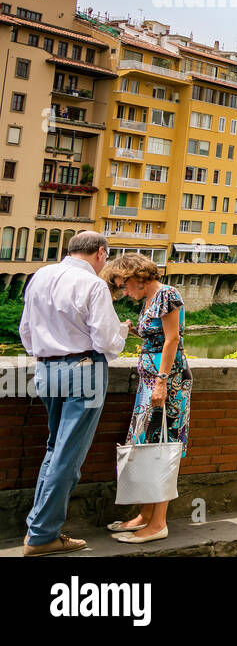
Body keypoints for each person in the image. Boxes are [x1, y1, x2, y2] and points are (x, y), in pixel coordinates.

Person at [18, 231, 126, 556]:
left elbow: (25, 329)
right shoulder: (93, 284)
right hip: (84, 370)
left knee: (55, 448)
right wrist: (121, 337)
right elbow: (105, 340)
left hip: (46, 367)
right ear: (101, 253)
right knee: (69, 454)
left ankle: (38, 528)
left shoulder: (40, 276)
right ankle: (41, 536)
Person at [101, 254, 192, 543]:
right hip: (151, 382)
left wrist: (162, 382)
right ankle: (145, 515)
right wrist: (133, 330)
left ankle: (159, 523)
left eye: (123, 284)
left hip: (167, 382)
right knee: (146, 443)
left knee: (161, 446)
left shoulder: (167, 294)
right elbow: (156, 336)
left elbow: (172, 339)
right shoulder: (150, 301)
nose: (124, 290)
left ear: (137, 277)